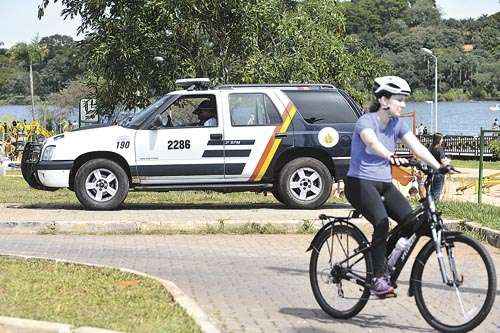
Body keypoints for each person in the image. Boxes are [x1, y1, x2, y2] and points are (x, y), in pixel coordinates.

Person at [345, 76, 449, 298]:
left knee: (410, 221)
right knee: (381, 221)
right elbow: (372, 143)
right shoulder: (366, 121)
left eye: (404, 100)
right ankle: (377, 277)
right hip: (359, 183)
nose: (403, 104)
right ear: (384, 100)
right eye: (399, 100)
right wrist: (391, 156)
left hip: (383, 184)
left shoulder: (397, 124)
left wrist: (439, 166)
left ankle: (385, 262)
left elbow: (417, 147)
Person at [429, 133, 449, 201]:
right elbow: (443, 161)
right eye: (442, 139)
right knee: (437, 191)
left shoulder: (430, 147)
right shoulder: (439, 149)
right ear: (439, 140)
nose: (442, 140)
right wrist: (448, 161)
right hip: (439, 172)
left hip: (431, 171)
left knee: (432, 190)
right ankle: (435, 205)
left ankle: (430, 203)